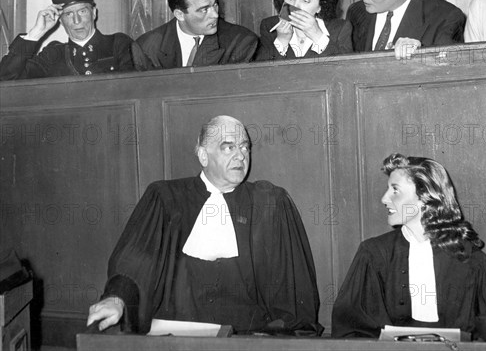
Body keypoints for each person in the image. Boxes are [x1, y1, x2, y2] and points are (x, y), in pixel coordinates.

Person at [86, 115, 322, 336]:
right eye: (229, 147)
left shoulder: (270, 202)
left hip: (246, 337)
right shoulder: (166, 198)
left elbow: (291, 290)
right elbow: (134, 262)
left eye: (244, 147)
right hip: (176, 336)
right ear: (203, 156)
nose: (241, 156)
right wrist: (117, 299)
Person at [332, 153, 486, 338]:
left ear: (425, 197)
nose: (384, 199)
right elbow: (351, 331)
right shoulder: (373, 254)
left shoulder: (473, 262)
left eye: (395, 190)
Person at [0, 0, 134, 79]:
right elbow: (6, 77)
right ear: (60, 20)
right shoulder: (52, 54)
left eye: (82, 11)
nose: (76, 20)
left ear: (93, 13)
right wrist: (36, 33)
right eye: (68, 14)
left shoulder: (118, 44)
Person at [132, 0, 258, 70]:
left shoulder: (240, 41)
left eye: (215, 4)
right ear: (180, 14)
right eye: (204, 9)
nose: (215, 14)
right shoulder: (147, 48)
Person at [254, 0, 353, 61]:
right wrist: (281, 41)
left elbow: (346, 70)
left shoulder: (340, 29)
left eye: (306, 0)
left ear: (321, 5)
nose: (295, 5)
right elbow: (258, 72)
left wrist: (317, 35)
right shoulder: (269, 27)